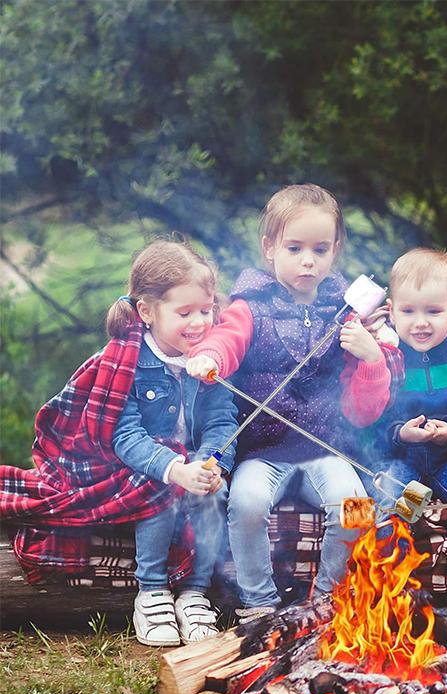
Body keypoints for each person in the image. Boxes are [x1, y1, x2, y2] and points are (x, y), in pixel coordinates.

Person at [186, 184, 391, 620]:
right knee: (246, 503)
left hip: (328, 450)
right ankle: (259, 603)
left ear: (335, 250)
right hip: (263, 453)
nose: (307, 261)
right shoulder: (250, 306)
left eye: (320, 249)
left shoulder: (346, 313)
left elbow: (363, 411)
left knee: (358, 509)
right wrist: (211, 356)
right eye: (294, 247)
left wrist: (372, 359)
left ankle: (326, 601)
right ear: (269, 248)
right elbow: (228, 338)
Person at [347, 248, 447, 623]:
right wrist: (401, 434)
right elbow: (368, 426)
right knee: (382, 498)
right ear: (392, 311)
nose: (420, 323)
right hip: (402, 458)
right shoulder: (386, 359)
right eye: (408, 311)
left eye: (433, 311)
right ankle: (391, 590)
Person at [106, 240, 239, 646]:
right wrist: (174, 468)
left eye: (206, 310)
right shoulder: (126, 361)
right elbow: (124, 434)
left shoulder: (207, 360)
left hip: (195, 464)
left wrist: (213, 463)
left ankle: (196, 593)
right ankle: (152, 592)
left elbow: (222, 423)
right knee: (162, 491)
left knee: (215, 492)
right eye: (185, 313)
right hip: (143, 468)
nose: (199, 323)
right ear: (147, 311)